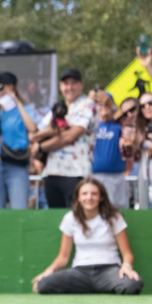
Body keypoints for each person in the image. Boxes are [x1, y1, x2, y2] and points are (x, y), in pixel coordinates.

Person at [31, 178, 143, 295]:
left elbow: (127, 254)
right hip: (79, 273)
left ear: (101, 197)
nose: (89, 197)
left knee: (132, 283)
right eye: (84, 194)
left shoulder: (113, 217)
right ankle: (94, 287)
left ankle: (102, 286)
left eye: (94, 194)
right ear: (78, 198)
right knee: (43, 284)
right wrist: (48, 271)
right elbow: (63, 257)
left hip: (108, 270)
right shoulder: (70, 218)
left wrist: (126, 266)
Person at [34, 67, 96, 211]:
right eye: (66, 83)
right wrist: (46, 135)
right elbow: (35, 135)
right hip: (51, 172)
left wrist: (42, 147)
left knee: (78, 218)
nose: (69, 87)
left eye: (74, 83)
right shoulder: (56, 110)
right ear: (61, 86)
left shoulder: (87, 104)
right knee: (56, 221)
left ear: (81, 85)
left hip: (76, 173)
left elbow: (71, 136)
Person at [0, 70, 39, 210]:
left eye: (4, 88)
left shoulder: (25, 109)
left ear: (12, 87)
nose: (1, 92)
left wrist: (16, 101)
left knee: (19, 207)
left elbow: (32, 128)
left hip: (16, 163)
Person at [88, 90, 129, 208]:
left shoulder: (120, 125)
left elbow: (128, 115)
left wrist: (111, 105)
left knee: (119, 213)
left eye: (106, 104)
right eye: (100, 104)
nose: (103, 107)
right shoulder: (91, 126)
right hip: (95, 176)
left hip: (117, 177)